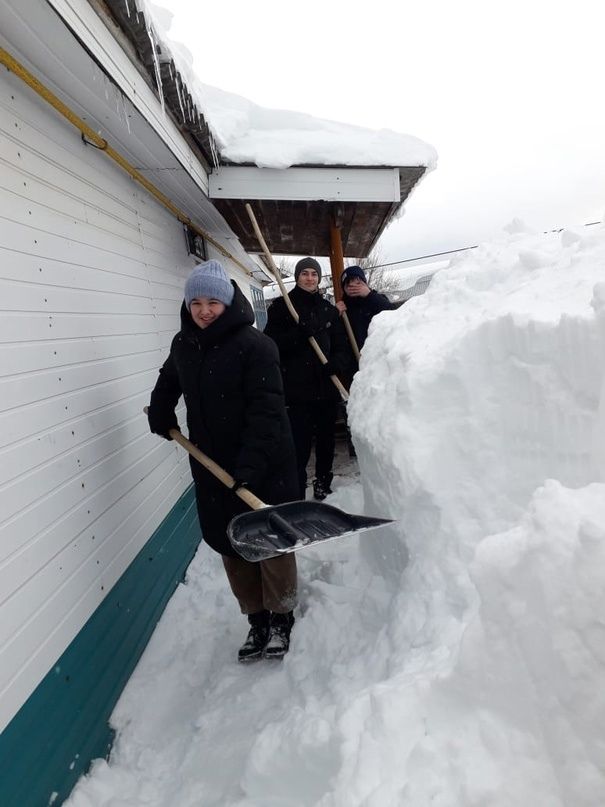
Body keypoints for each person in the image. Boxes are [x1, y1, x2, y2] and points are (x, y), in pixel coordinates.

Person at [147, 260, 299, 662]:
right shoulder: (185, 344)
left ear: (228, 301)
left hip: (261, 463)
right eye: (195, 301)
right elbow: (169, 378)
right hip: (213, 465)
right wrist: (160, 411)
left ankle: (282, 616)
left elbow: (268, 414)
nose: (203, 310)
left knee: (269, 542)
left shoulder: (256, 346)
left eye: (213, 301)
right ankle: (257, 619)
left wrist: (249, 468)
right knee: (231, 543)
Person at [264, 257, 351, 501]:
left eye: (314, 274)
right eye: (305, 273)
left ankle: (323, 482)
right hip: (296, 390)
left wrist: (337, 363)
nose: (310, 278)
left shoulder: (327, 310)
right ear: (297, 276)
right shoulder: (282, 307)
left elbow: (341, 345)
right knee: (298, 444)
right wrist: (298, 335)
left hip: (325, 388)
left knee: (326, 441)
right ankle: (297, 487)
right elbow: (270, 345)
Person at [336, 265, 396, 351]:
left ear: (364, 283)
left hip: (381, 353)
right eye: (348, 283)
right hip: (356, 359)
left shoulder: (376, 299)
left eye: (357, 282)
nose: (352, 285)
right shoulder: (343, 310)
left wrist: (369, 295)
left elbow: (392, 313)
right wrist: (334, 312)